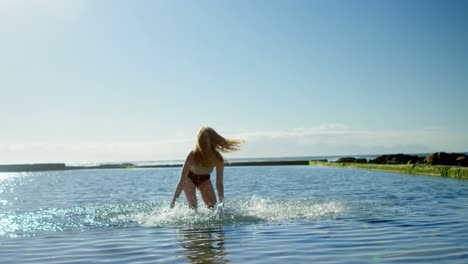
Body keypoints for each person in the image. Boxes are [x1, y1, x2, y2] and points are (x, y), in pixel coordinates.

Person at [170, 127, 242, 209]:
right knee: (193, 206)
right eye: (201, 138)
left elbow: (219, 183)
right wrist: (173, 201)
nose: (203, 141)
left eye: (206, 138)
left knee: (213, 208)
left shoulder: (218, 158)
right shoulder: (192, 155)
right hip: (188, 179)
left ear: (212, 140)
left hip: (205, 180)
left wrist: (221, 202)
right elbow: (182, 181)